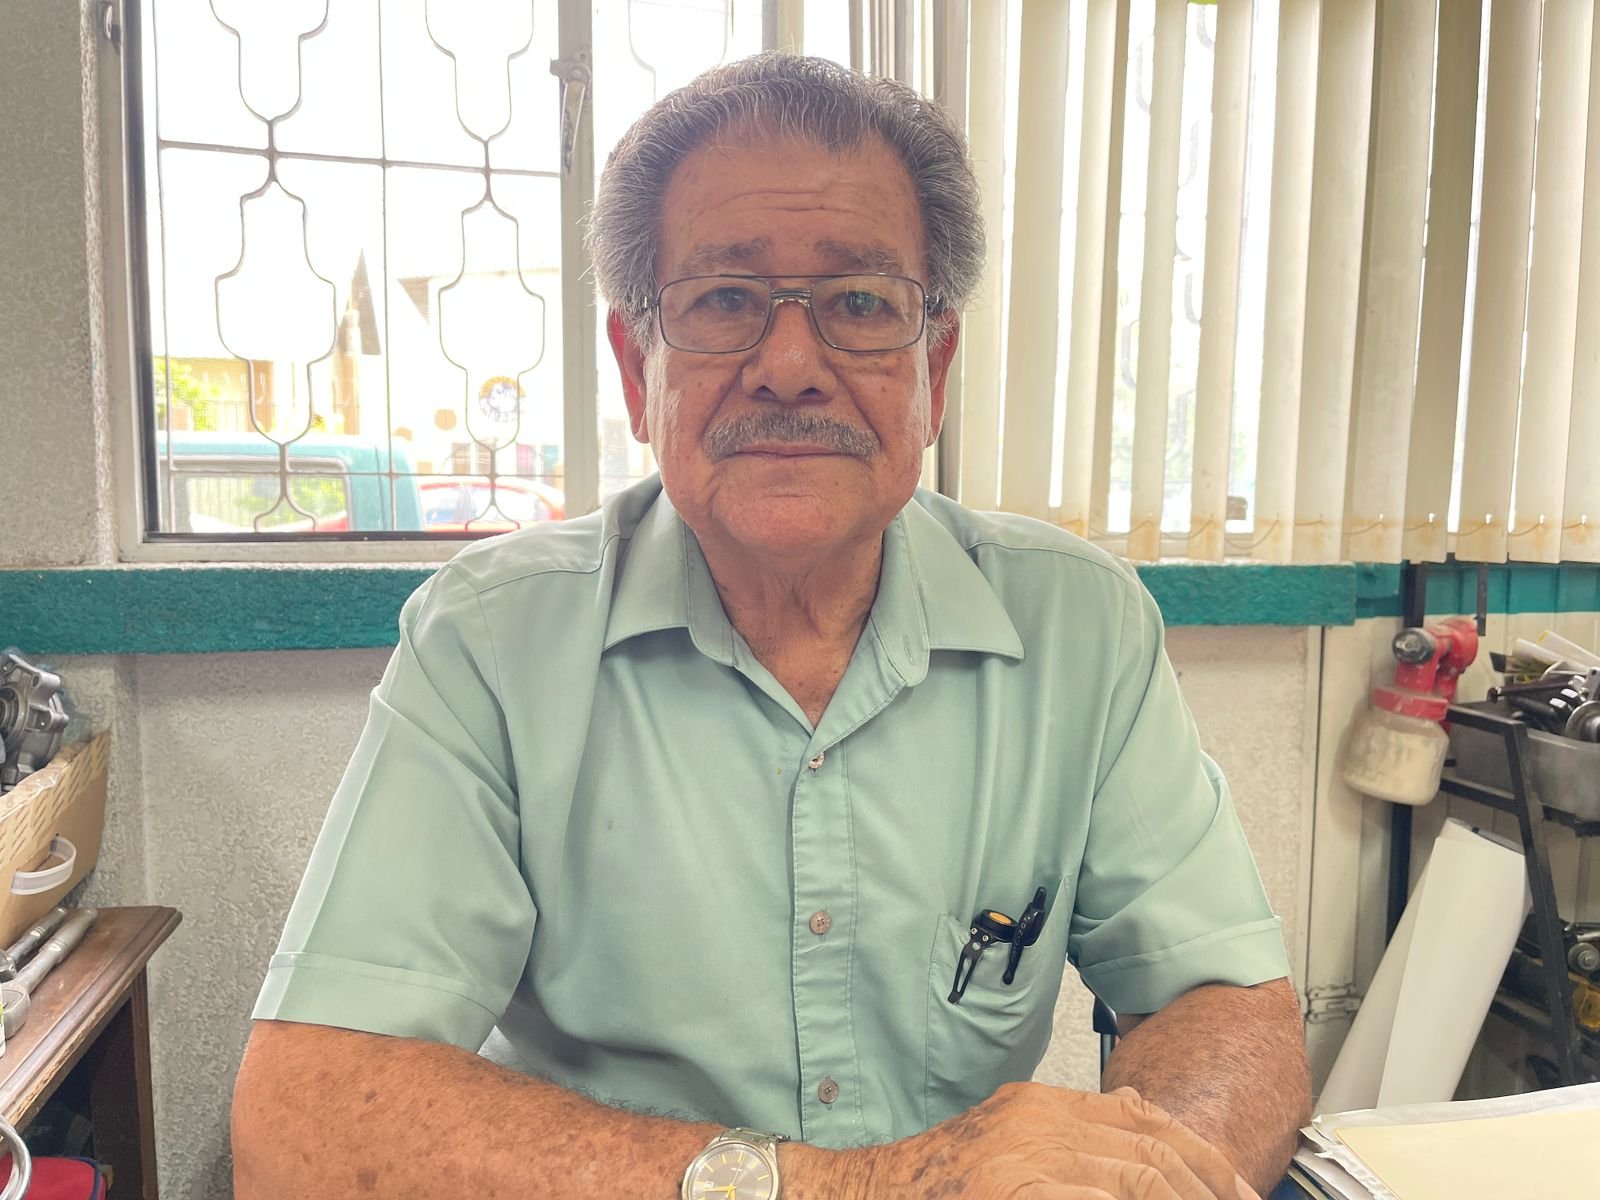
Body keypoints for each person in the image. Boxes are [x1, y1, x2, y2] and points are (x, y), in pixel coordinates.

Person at [233, 53, 1309, 1200]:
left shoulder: (1078, 624)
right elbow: (303, 1120)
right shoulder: (491, 641)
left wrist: (1147, 1178)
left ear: (934, 369)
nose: (789, 367)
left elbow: (1225, 1007)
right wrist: (864, 1187)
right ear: (635, 369)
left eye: (860, 304)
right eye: (723, 301)